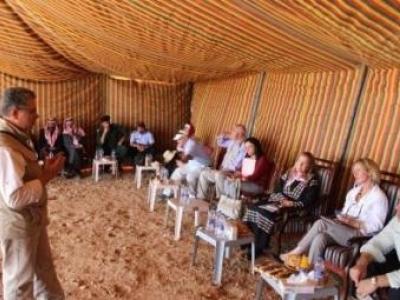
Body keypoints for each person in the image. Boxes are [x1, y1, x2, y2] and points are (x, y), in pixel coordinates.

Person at [0, 87, 65, 300]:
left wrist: (40, 169)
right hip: (18, 225)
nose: (37, 116)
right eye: (32, 111)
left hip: (32, 221)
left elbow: (19, 175)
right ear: (15, 113)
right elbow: (14, 197)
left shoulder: (15, 136)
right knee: (19, 285)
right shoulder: (5, 146)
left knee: (45, 274)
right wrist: (46, 176)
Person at [281, 158, 388, 264]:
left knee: (320, 223)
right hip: (343, 230)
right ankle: (311, 272)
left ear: (369, 172)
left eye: (358, 170)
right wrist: (342, 218)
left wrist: (354, 223)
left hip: (359, 236)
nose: (354, 174)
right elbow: (345, 212)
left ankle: (296, 252)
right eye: (353, 171)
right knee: (320, 237)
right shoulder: (353, 192)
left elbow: (377, 226)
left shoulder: (379, 197)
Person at [243, 152, 320, 258]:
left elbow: (309, 200)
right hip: (279, 200)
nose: (300, 165)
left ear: (310, 166)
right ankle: (247, 242)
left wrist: (291, 203)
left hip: (293, 207)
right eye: (298, 161)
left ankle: (258, 247)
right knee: (253, 207)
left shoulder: (312, 181)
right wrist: (280, 198)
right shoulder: (290, 173)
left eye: (304, 163)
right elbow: (278, 188)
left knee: (265, 213)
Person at [349, 201, 400, 300]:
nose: (397, 208)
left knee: (396, 292)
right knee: (366, 267)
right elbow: (378, 242)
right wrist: (362, 263)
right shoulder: (397, 221)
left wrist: (376, 281)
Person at [197, 124, 247, 199]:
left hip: (231, 173)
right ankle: (201, 198)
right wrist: (225, 136)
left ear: (239, 134)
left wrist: (226, 170)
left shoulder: (243, 147)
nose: (231, 132)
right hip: (222, 170)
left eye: (234, 131)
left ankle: (220, 200)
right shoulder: (232, 142)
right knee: (204, 174)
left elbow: (238, 165)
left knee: (219, 175)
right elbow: (219, 142)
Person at [171, 131, 211, 195]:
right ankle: (169, 193)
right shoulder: (187, 144)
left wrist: (181, 163)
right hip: (193, 164)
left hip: (202, 165)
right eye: (177, 140)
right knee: (177, 171)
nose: (178, 142)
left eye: (179, 139)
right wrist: (180, 149)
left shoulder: (191, 143)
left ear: (184, 138)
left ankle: (191, 197)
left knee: (190, 176)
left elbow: (186, 157)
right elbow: (186, 157)